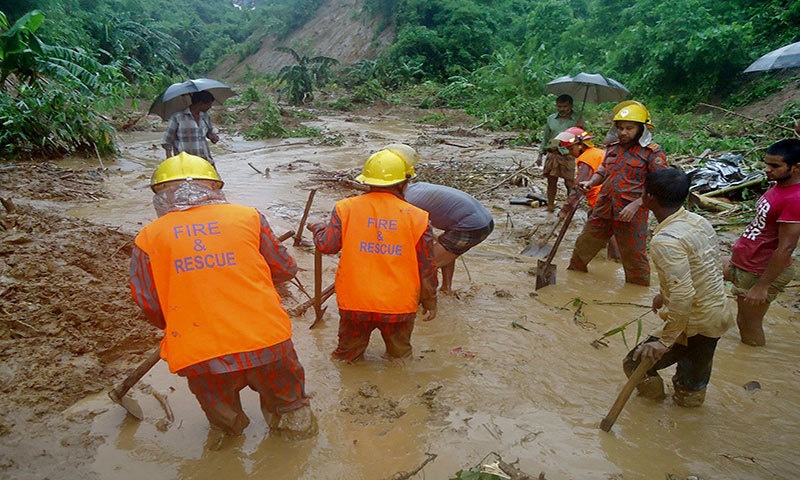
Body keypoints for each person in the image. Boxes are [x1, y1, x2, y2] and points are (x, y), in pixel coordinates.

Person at [129, 152, 316, 439]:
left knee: (225, 425)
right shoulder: (248, 217)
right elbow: (285, 268)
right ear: (214, 187)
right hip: (266, 340)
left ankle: (229, 442)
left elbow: (150, 305)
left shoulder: (148, 237)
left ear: (160, 195)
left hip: (200, 354)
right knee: (292, 410)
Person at [307, 149, 438, 362]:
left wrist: (318, 228)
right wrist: (430, 300)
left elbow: (327, 245)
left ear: (367, 181)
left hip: (355, 304)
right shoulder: (417, 217)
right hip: (398, 306)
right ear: (404, 183)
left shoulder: (345, 208)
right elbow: (427, 267)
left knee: (346, 359)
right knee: (400, 360)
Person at [622, 168, 733, 407]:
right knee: (692, 381)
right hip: (717, 315)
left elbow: (683, 295)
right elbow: (707, 266)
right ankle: (687, 414)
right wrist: (664, 294)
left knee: (634, 362)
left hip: (693, 321)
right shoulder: (698, 221)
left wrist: (665, 341)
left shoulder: (666, 241)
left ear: (648, 196)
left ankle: (652, 406)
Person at [568, 100, 668, 286]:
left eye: (629, 128)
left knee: (634, 257)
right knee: (583, 247)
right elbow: (603, 170)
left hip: (632, 213)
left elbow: (659, 184)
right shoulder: (613, 148)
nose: (623, 132)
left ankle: (636, 292)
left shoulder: (652, 153)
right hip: (604, 206)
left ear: (641, 128)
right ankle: (574, 281)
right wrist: (590, 182)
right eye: (620, 128)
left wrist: (637, 203)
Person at [382, 143, 495, 293]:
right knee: (446, 248)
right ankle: (446, 288)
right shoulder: (415, 189)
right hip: (483, 220)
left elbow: (414, 237)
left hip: (471, 226)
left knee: (425, 266)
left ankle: (424, 298)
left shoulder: (407, 204)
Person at [726, 138, 800, 346]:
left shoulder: (794, 199)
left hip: (759, 270)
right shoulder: (779, 186)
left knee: (748, 325)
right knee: (701, 274)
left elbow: (786, 247)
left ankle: (751, 364)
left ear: (796, 168)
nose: (767, 170)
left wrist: (762, 286)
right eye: (766, 163)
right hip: (746, 263)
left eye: (774, 166)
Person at [555, 127, 620, 260]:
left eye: (571, 149)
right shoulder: (597, 152)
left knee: (607, 229)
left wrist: (565, 209)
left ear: (580, 145)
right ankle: (609, 253)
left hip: (601, 198)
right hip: (612, 195)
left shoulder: (586, 159)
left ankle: (615, 258)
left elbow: (579, 187)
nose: (570, 153)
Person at [537, 94, 582, 212]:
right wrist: (540, 154)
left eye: (565, 106)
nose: (562, 109)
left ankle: (570, 207)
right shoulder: (551, 119)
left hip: (568, 155)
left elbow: (582, 139)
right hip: (552, 154)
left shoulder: (577, 120)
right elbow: (545, 137)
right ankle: (550, 206)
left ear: (571, 106)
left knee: (570, 183)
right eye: (559, 106)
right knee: (551, 182)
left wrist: (581, 129)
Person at [162, 91, 220, 165]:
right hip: (185, 163)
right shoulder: (178, 117)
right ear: (200, 103)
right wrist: (170, 162)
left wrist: (214, 137)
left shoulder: (205, 116)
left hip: (205, 161)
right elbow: (167, 141)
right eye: (208, 104)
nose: (210, 107)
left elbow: (210, 133)